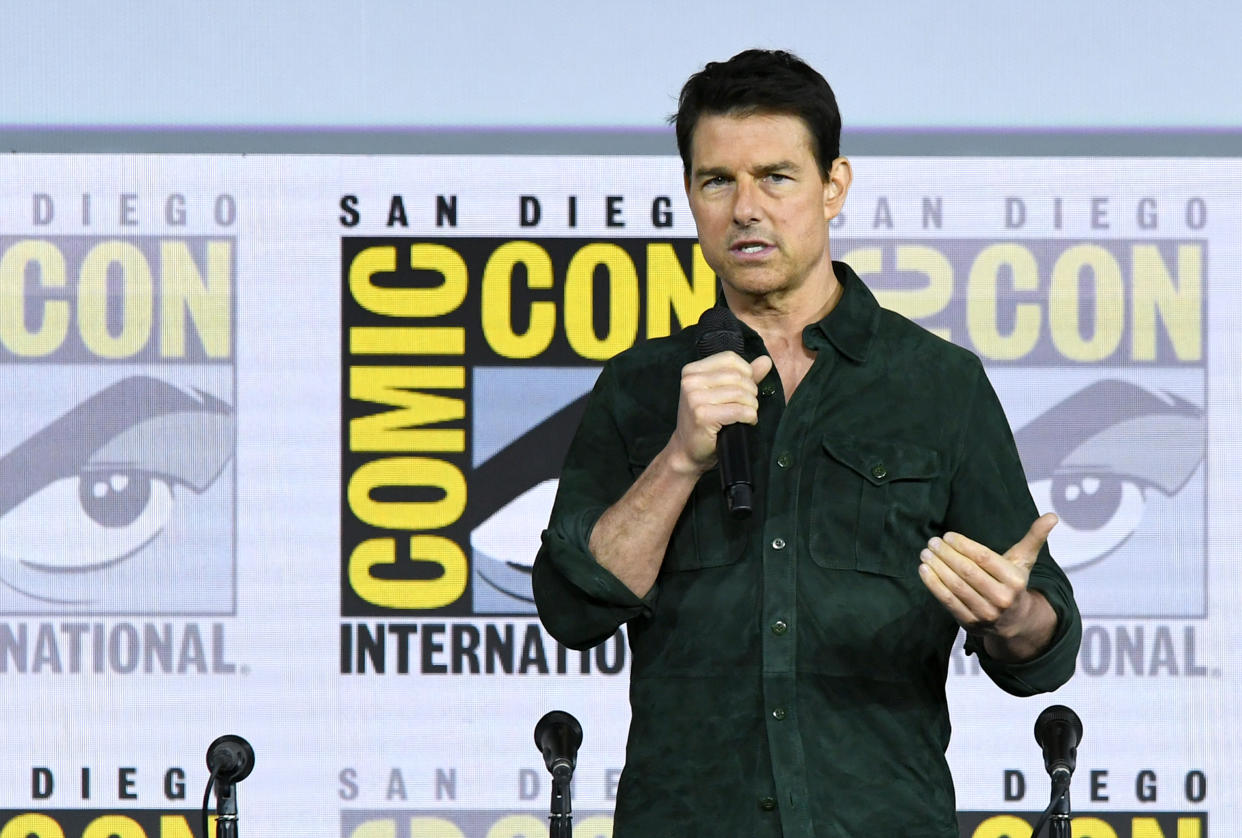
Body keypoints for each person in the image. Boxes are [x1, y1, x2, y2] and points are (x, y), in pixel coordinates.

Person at [533, 48, 1081, 837]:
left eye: (776, 177)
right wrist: (682, 457)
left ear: (834, 187)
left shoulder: (937, 385)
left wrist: (1012, 611)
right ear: (690, 194)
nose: (745, 208)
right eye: (716, 180)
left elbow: (1044, 647)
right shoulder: (642, 385)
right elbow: (571, 607)